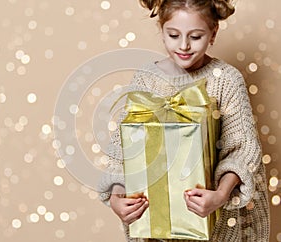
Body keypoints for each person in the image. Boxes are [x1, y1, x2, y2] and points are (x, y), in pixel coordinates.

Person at [99, 0, 270, 241]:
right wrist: (117, 196)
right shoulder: (147, 80)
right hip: (154, 225)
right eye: (173, 35)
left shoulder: (226, 80)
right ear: (161, 30)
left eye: (196, 36)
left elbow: (242, 150)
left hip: (214, 223)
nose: (184, 46)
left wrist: (220, 195)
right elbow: (123, 150)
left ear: (213, 33)